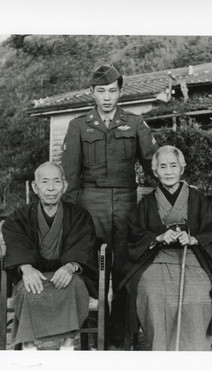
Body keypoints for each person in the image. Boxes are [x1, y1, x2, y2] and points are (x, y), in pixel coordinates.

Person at [61, 63, 158, 349]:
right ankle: (94, 334)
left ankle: (123, 335)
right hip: (91, 202)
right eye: (101, 91)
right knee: (93, 267)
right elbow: (70, 175)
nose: (106, 97)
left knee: (126, 267)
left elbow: (153, 163)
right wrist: (72, 215)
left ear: (120, 93)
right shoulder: (78, 126)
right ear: (91, 93)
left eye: (112, 91)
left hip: (127, 202)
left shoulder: (135, 123)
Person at [120, 145, 212, 351]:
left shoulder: (197, 199)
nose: (168, 171)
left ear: (182, 169)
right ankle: (161, 350)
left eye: (173, 166)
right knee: (152, 293)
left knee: (196, 296)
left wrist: (193, 238)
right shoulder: (147, 202)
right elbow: (133, 233)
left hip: (192, 258)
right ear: (155, 171)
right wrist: (158, 236)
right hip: (156, 259)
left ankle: (194, 350)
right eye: (163, 166)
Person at [2, 162, 99, 350]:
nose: (51, 188)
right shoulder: (19, 217)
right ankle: (29, 347)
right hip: (34, 275)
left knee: (77, 285)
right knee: (27, 288)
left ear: (65, 185)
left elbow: (84, 245)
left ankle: (67, 345)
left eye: (56, 181)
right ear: (35, 187)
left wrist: (71, 266)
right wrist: (25, 267)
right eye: (45, 182)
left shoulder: (79, 215)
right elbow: (15, 243)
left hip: (68, 276)